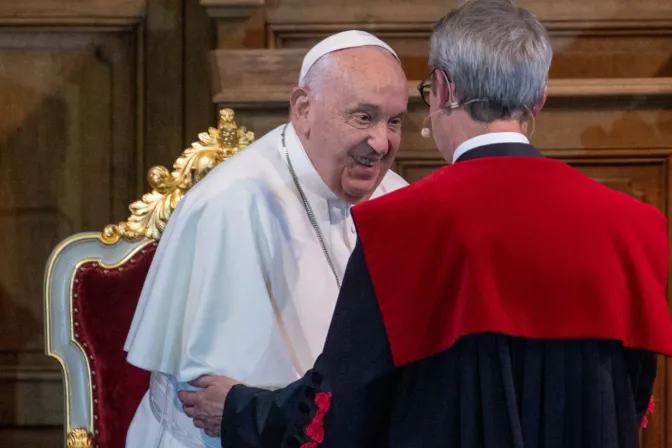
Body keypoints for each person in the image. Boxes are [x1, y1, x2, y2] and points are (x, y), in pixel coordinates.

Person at [177, 1, 672, 447]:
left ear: (442, 89)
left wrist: (241, 411)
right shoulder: (635, 225)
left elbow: (341, 411)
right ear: (539, 98)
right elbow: (630, 401)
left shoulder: (401, 225)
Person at [123, 30, 409, 448]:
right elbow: (215, 406)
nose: (382, 142)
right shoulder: (230, 207)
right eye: (363, 117)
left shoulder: (397, 200)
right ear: (303, 109)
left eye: (395, 121)